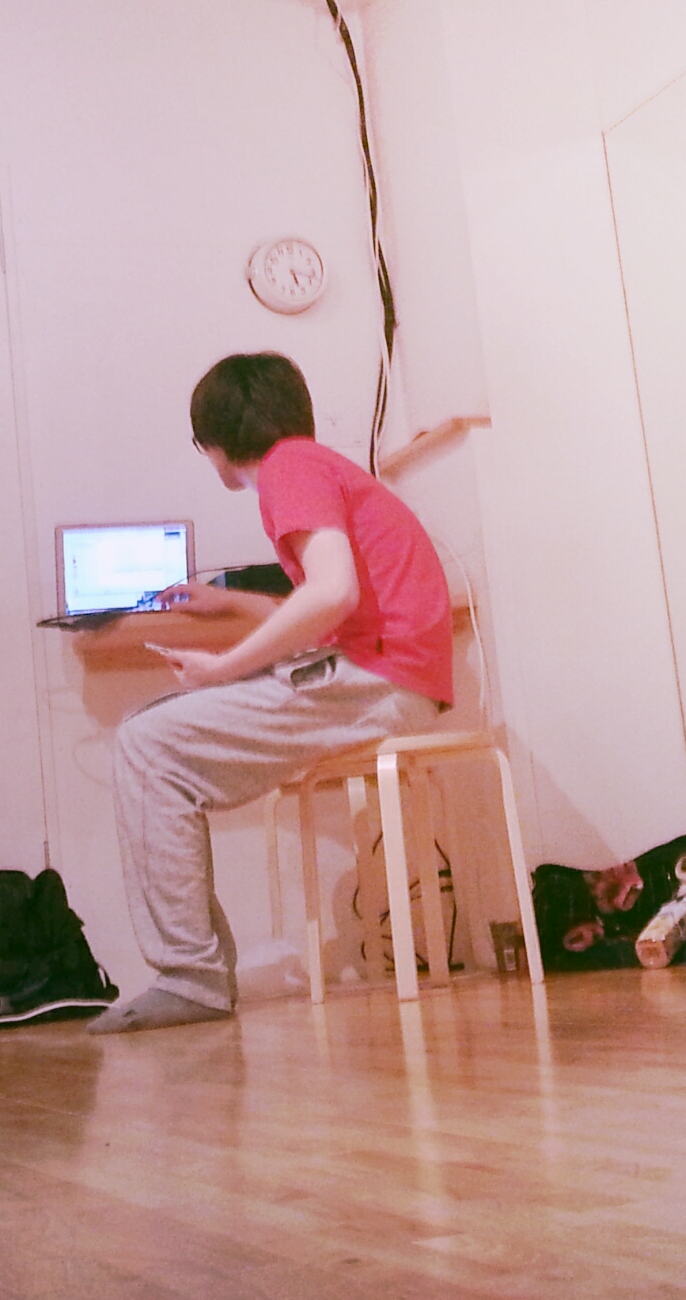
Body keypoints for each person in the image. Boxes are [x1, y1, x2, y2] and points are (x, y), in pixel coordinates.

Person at [89, 352, 453, 1033]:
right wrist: (226, 605)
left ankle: (190, 978)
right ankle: (193, 974)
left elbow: (331, 593)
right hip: (395, 675)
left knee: (145, 743)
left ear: (216, 441)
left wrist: (222, 668)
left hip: (378, 679)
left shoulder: (288, 469)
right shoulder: (317, 465)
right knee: (155, 746)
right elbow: (336, 606)